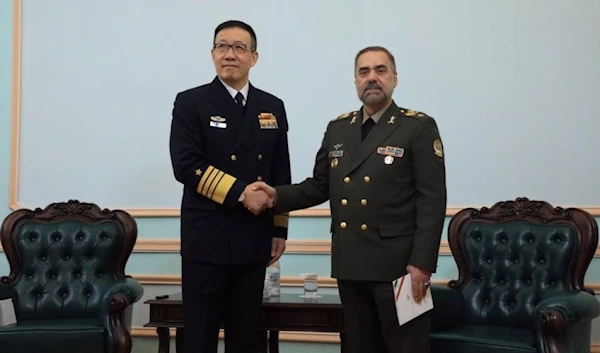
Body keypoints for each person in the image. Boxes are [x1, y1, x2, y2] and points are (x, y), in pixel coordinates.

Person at [250, 46, 447, 352]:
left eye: (380, 70)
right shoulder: (339, 129)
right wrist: (276, 195)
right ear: (355, 81)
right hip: (351, 263)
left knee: (405, 347)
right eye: (364, 72)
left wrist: (421, 265)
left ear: (394, 78)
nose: (372, 78)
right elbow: (318, 186)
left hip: (399, 269)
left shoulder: (417, 127)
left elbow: (432, 201)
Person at [169, 20, 291, 353]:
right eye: (222, 46)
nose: (230, 55)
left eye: (239, 48)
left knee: (247, 337)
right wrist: (240, 193)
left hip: (253, 237)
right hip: (205, 238)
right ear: (212, 54)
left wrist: (279, 229)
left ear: (254, 57)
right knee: (200, 337)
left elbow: (281, 172)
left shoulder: (272, 106)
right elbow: (186, 165)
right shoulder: (191, 102)